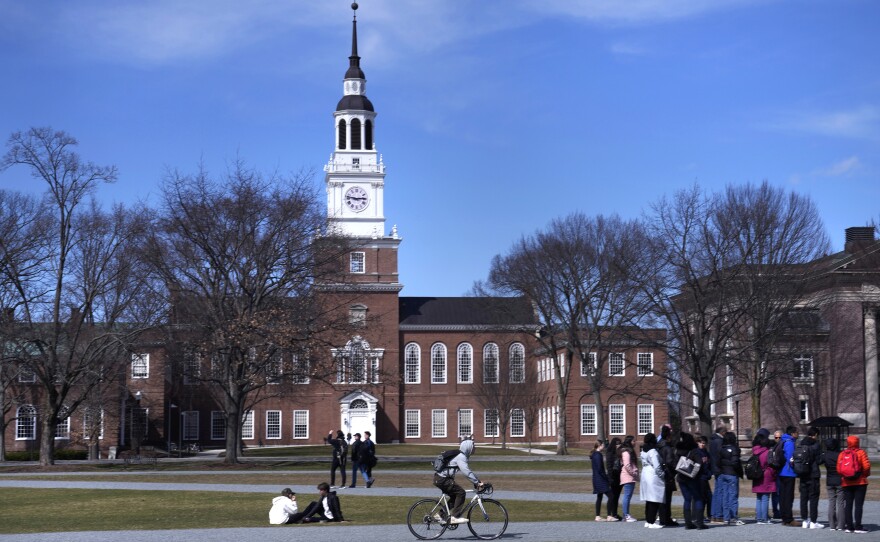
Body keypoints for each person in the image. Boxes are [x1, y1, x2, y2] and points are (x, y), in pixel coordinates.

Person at [434, 436, 484, 525]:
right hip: (442, 479)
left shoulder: (461, 456)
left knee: (455, 497)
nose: (475, 448)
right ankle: (454, 517)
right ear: (469, 448)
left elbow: (468, 471)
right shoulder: (461, 457)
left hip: (440, 479)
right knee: (461, 493)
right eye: (473, 447)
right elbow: (466, 472)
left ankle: (440, 515)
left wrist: (477, 481)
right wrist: (476, 482)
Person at [839, 435, 871, 534]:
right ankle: (858, 526)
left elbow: (839, 469)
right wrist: (863, 475)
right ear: (857, 442)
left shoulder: (842, 453)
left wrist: (845, 475)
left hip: (846, 482)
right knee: (858, 505)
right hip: (860, 482)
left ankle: (849, 526)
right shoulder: (861, 453)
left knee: (848, 505)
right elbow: (866, 466)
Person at [675, 432, 706, 530]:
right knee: (698, 499)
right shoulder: (694, 451)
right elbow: (699, 464)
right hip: (692, 478)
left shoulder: (678, 450)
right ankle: (699, 523)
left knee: (687, 499)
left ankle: (688, 523)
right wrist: (693, 474)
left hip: (681, 477)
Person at [797, 426, 824, 529]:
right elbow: (819, 460)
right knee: (813, 498)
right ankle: (813, 521)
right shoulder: (815, 445)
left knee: (803, 498)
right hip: (813, 474)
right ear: (815, 435)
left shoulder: (801, 443)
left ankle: (805, 520)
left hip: (802, 474)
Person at [639, 432, 665, 529]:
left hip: (645, 473)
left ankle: (648, 520)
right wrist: (662, 475)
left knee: (649, 500)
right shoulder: (653, 451)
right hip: (652, 475)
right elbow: (657, 466)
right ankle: (651, 521)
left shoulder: (643, 450)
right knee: (654, 499)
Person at [717, 431, 744, 525]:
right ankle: (734, 517)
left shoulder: (721, 449)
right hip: (732, 474)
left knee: (725, 496)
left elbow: (718, 462)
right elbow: (735, 462)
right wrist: (739, 472)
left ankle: (726, 517)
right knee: (733, 496)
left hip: (724, 473)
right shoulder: (734, 449)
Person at [751, 431, 777, 525]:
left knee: (759, 498)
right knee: (765, 497)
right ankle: (764, 518)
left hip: (757, 475)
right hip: (766, 475)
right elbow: (771, 464)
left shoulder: (755, 451)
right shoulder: (766, 452)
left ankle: (759, 518)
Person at [657, 425, 680, 526]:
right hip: (668, 475)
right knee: (667, 498)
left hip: (660, 474)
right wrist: (678, 468)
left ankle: (663, 518)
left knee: (662, 498)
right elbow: (670, 462)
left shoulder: (658, 446)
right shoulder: (667, 448)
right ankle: (666, 518)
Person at [778, 425, 801, 526]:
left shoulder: (782, 441)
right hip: (788, 472)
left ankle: (784, 517)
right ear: (793, 433)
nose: (798, 434)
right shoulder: (790, 443)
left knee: (783, 496)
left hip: (781, 472)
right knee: (788, 497)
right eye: (797, 432)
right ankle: (788, 518)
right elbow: (791, 458)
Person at [823, 437, 845, 531]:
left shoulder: (825, 455)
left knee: (832, 502)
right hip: (840, 479)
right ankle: (840, 525)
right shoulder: (840, 454)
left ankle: (832, 524)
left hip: (830, 480)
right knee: (841, 503)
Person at [618, 435, 639, 522]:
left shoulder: (629, 451)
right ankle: (626, 515)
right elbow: (627, 465)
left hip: (629, 476)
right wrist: (633, 472)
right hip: (628, 476)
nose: (635, 443)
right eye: (634, 441)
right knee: (627, 496)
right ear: (630, 442)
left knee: (628, 496)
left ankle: (626, 514)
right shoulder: (626, 452)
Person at [590, 441, 613, 521]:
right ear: (599, 446)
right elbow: (600, 469)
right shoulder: (597, 455)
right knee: (611, 496)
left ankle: (598, 516)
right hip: (600, 479)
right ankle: (609, 515)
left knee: (599, 497)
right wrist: (606, 478)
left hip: (596, 478)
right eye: (603, 445)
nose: (604, 446)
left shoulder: (595, 455)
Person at [708, 425, 726, 524]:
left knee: (716, 492)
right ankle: (718, 515)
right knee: (720, 492)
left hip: (715, 468)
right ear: (723, 432)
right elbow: (720, 456)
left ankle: (714, 514)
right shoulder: (720, 441)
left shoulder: (712, 441)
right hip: (719, 469)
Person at [695, 435, 713, 521]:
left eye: (704, 443)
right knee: (702, 498)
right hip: (699, 478)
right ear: (697, 443)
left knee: (709, 497)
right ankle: (699, 516)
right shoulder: (696, 452)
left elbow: (709, 464)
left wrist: (709, 472)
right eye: (701, 443)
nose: (702, 445)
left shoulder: (706, 452)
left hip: (705, 477)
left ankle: (709, 514)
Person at [605, 437, 622, 521]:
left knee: (617, 497)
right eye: (617, 444)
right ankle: (609, 513)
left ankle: (615, 513)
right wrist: (611, 477)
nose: (619, 445)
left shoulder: (619, 453)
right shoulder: (610, 453)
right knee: (612, 496)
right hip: (612, 477)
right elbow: (609, 466)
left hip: (619, 477)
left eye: (620, 444)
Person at [771, 429, 783, 520]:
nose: (778, 439)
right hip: (774, 471)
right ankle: (775, 511)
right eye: (776, 437)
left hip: (781, 471)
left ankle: (780, 510)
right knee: (775, 493)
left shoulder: (783, 446)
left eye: (780, 437)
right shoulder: (772, 446)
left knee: (780, 493)